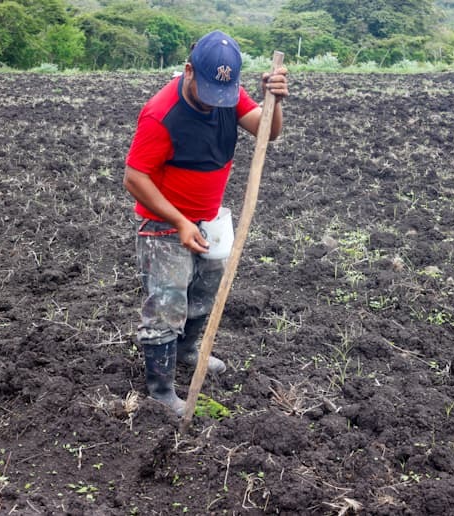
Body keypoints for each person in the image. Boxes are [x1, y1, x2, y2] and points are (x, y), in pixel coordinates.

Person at [123, 30, 289, 416]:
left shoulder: (228, 92)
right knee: (167, 301)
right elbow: (134, 178)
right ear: (188, 71)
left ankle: (187, 352)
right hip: (165, 224)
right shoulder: (160, 114)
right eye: (210, 91)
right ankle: (161, 390)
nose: (218, 102)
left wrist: (274, 101)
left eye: (224, 94)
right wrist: (180, 222)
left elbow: (269, 131)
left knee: (205, 292)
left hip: (211, 217)